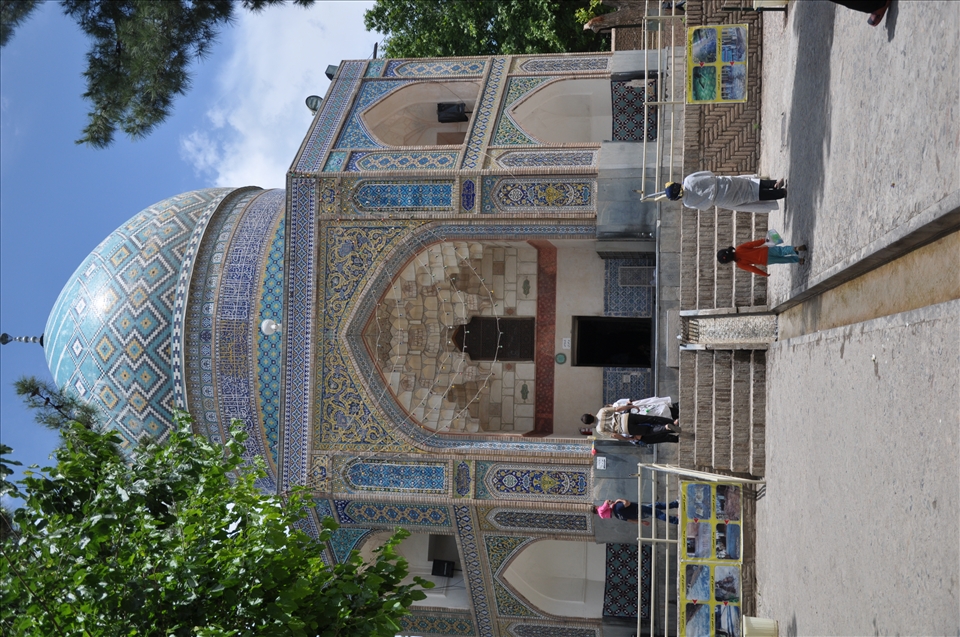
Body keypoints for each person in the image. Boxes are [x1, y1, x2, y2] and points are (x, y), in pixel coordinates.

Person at [663, 171, 785, 213]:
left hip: (722, 200)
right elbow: (708, 174)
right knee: (750, 184)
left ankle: (780, 194)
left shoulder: (687, 203)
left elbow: (704, 206)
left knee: (751, 196)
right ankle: (774, 184)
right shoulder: (689, 180)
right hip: (722, 184)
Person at [581, 402, 681, 444]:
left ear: (590, 424)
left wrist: (627, 438)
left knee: (649, 431)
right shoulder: (602, 411)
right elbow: (618, 408)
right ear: (590, 414)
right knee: (652, 419)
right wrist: (630, 407)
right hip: (627, 417)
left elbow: (614, 435)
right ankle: (673, 422)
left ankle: (665, 427)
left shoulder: (599, 430)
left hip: (626, 429)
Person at [717, 239, 807, 277]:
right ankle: (794, 249)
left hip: (766, 260)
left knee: (782, 260)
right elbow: (753, 244)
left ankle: (799, 260)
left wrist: (764, 274)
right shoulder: (739, 248)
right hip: (765, 251)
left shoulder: (740, 264)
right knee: (781, 251)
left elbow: (753, 269)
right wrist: (764, 240)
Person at [593, 499, 680, 525]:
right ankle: (675, 520)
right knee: (657, 513)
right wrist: (619, 500)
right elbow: (627, 503)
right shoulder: (616, 507)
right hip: (639, 509)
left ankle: (675, 504)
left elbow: (630, 520)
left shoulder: (617, 516)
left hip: (639, 515)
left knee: (656, 505)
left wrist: (642, 522)